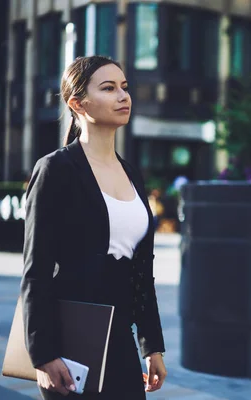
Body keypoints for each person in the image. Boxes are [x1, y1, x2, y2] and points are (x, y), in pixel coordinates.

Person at [21, 55, 167, 399]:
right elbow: (36, 271)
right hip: (71, 341)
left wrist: (152, 345)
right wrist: (42, 354)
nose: (123, 96)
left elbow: (142, 272)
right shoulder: (56, 169)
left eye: (125, 87)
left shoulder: (132, 174)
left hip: (121, 340)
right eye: (109, 88)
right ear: (77, 103)